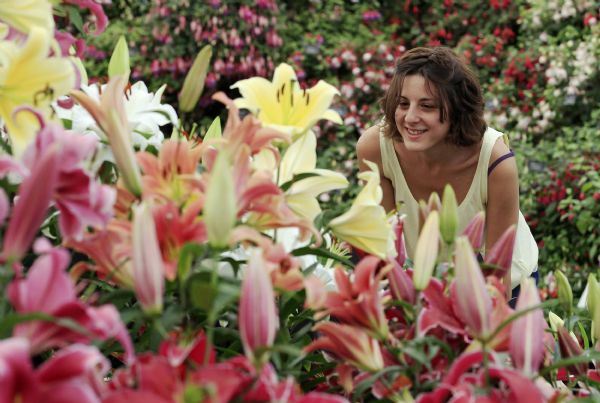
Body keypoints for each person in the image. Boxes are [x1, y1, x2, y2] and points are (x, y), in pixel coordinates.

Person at [356, 46, 538, 301]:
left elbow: (498, 282)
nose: (410, 118)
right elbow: (385, 249)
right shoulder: (375, 148)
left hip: (507, 288)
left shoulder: (495, 163)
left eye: (427, 106)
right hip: (423, 286)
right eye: (403, 103)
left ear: (456, 109)